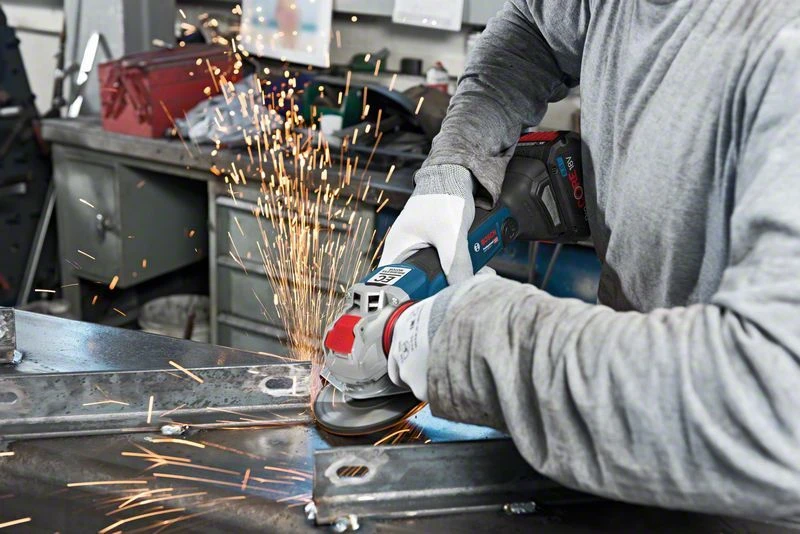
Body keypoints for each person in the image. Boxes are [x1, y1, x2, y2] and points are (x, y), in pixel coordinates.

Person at [379, 0, 800, 520]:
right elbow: (534, 29)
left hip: (752, 499)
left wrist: (471, 339)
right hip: (621, 441)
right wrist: (458, 161)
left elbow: (771, 402)